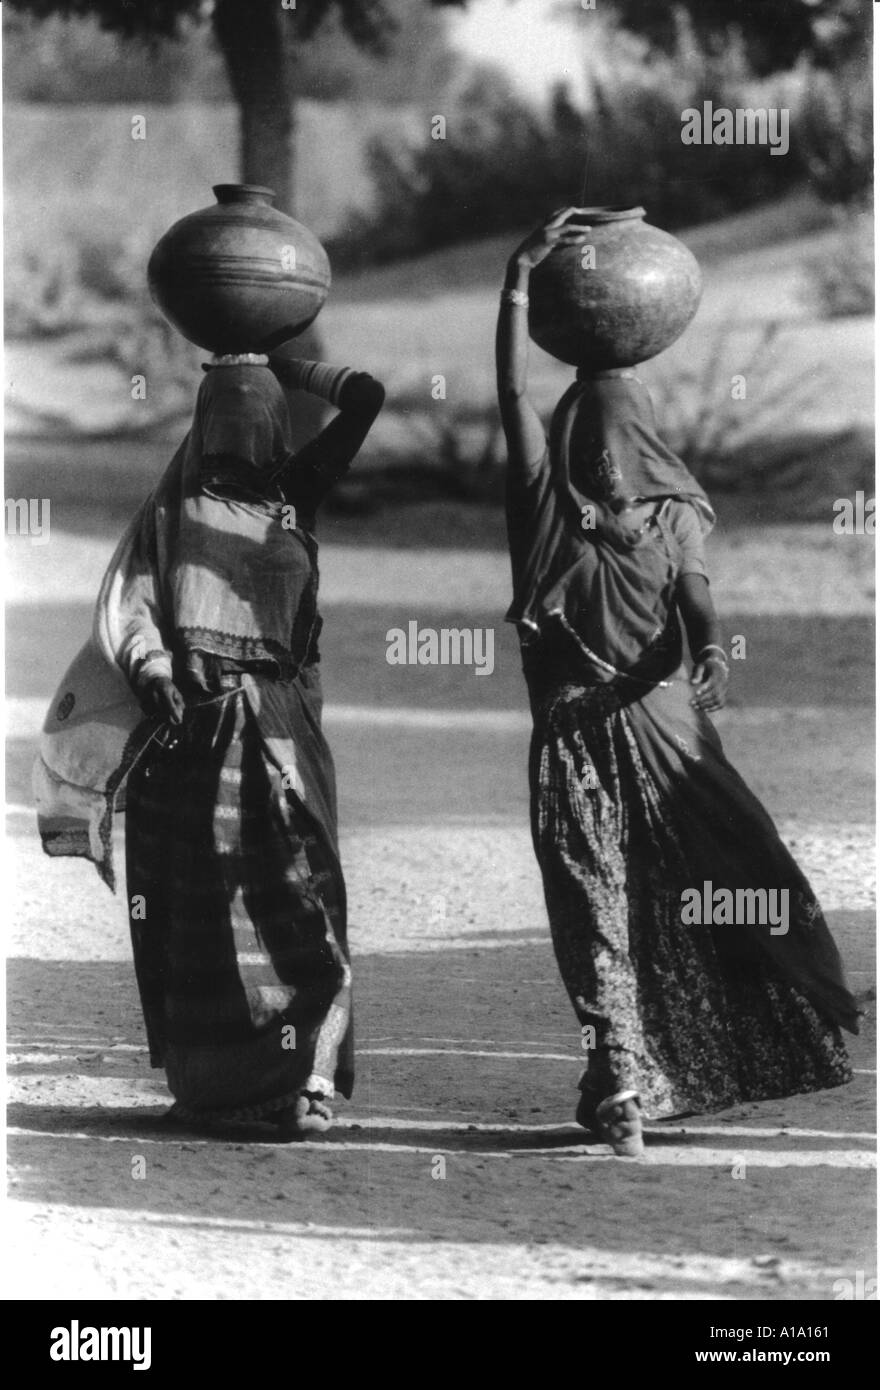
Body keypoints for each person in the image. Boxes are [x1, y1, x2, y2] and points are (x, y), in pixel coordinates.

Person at [496, 210, 859, 1158]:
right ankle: (621, 1075)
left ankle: (639, 1073)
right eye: (595, 444)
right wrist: (516, 280)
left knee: (719, 881)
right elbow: (511, 395)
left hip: (661, 738)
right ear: (572, 450)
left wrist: (711, 653)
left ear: (651, 452)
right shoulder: (545, 516)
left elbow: (697, 600)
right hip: (583, 739)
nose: (611, 461)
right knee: (596, 912)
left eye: (628, 445)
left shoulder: (669, 520)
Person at [35, 354, 384, 1138]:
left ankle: (309, 1078)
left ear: (276, 422)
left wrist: (275, 355)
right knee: (209, 920)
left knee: (302, 900)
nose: (234, 434)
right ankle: (227, 1088)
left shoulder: (295, 494)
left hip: (283, 732)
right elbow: (131, 608)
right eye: (218, 415)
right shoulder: (171, 512)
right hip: (196, 740)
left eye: (251, 414)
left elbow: (367, 398)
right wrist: (153, 669)